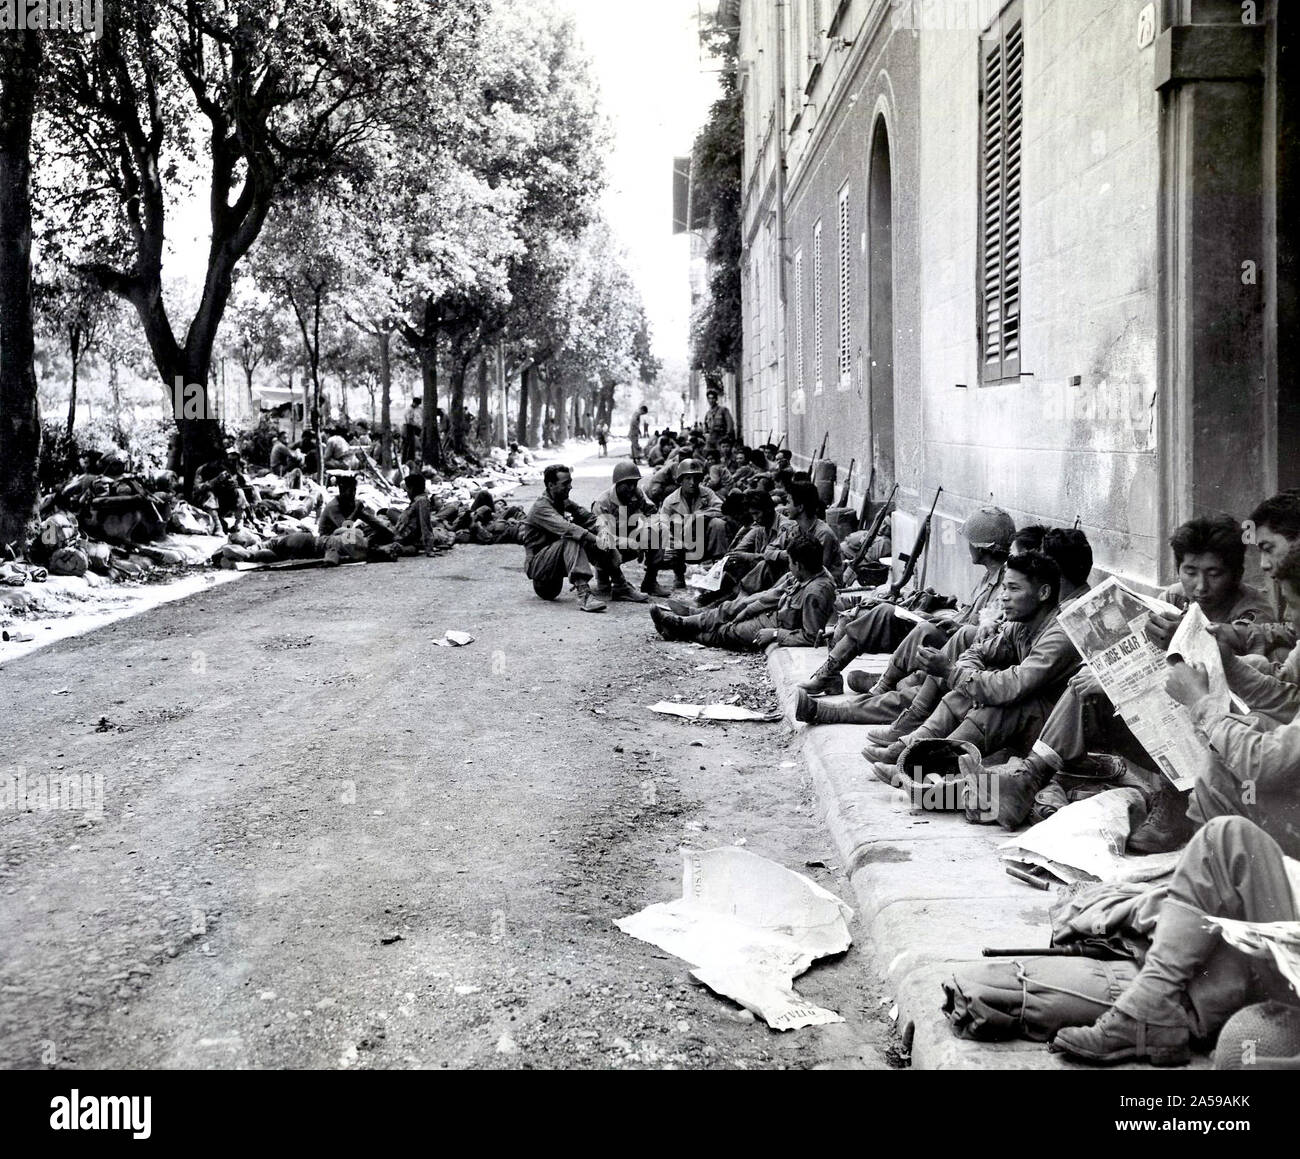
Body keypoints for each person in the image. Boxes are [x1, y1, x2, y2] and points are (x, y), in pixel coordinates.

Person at [987, 514, 1277, 834]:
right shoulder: (1174, 597)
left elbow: (1240, 688)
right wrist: (1107, 676)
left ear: (1235, 574)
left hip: (1216, 736)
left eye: (1214, 573)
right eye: (1190, 572)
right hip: (1161, 722)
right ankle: (1029, 778)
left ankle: (1177, 798)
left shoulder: (1253, 612)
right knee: (1085, 685)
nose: (1200, 586)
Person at [865, 550, 1082, 783]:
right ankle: (913, 745)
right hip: (1029, 716)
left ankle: (919, 769)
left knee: (997, 703)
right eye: (1004, 588)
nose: (1004, 597)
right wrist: (966, 678)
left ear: (1044, 593)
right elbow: (977, 650)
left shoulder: (1060, 635)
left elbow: (1016, 685)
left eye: (1014, 589)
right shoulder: (1021, 623)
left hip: (1054, 735)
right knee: (968, 688)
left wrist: (953, 673)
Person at [800, 507, 1019, 700]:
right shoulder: (987, 577)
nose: (968, 547)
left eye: (971, 542)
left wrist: (950, 625)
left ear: (982, 547)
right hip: (951, 631)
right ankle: (829, 673)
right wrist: (935, 616)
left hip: (960, 650)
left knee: (923, 630)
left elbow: (989, 633)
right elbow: (967, 615)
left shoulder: (1007, 583)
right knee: (885, 612)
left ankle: (885, 683)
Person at [650, 533, 836, 652]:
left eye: (790, 562)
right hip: (771, 612)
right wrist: (746, 609)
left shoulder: (816, 593)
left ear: (799, 565)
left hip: (775, 624)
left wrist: (775, 634)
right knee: (727, 609)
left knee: (727, 632)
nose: (789, 566)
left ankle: (679, 632)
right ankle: (680, 623)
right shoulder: (803, 574)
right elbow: (769, 596)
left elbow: (812, 637)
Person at [523, 464, 637, 612]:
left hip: (556, 566)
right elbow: (570, 530)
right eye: (565, 484)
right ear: (551, 485)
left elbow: (589, 518)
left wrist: (605, 536)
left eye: (570, 482)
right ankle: (584, 594)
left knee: (597, 537)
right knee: (574, 538)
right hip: (542, 575)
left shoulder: (562, 502)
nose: (570, 487)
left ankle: (620, 586)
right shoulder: (541, 507)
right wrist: (601, 541)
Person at [646, 458, 730, 591]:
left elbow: (722, 510)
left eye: (696, 478)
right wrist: (670, 544)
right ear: (680, 480)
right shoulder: (670, 501)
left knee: (718, 524)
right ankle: (678, 576)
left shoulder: (707, 493)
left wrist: (698, 515)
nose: (692, 483)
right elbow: (662, 524)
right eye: (688, 479)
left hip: (706, 543)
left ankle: (718, 573)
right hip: (682, 544)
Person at [590, 461, 661, 599]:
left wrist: (646, 529)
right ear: (617, 483)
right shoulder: (602, 503)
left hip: (629, 537)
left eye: (634, 483)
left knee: (658, 530)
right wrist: (627, 542)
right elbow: (601, 536)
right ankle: (605, 575)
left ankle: (650, 582)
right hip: (608, 544)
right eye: (628, 484)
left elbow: (653, 513)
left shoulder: (637, 493)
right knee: (604, 546)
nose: (632, 487)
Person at [402, 396, 423, 464]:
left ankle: (410, 460)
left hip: (410, 427)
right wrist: (418, 426)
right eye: (417, 404)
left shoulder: (412, 410)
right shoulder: (409, 410)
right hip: (408, 428)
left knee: (411, 445)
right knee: (407, 445)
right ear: (414, 403)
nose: (417, 406)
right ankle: (405, 461)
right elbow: (409, 421)